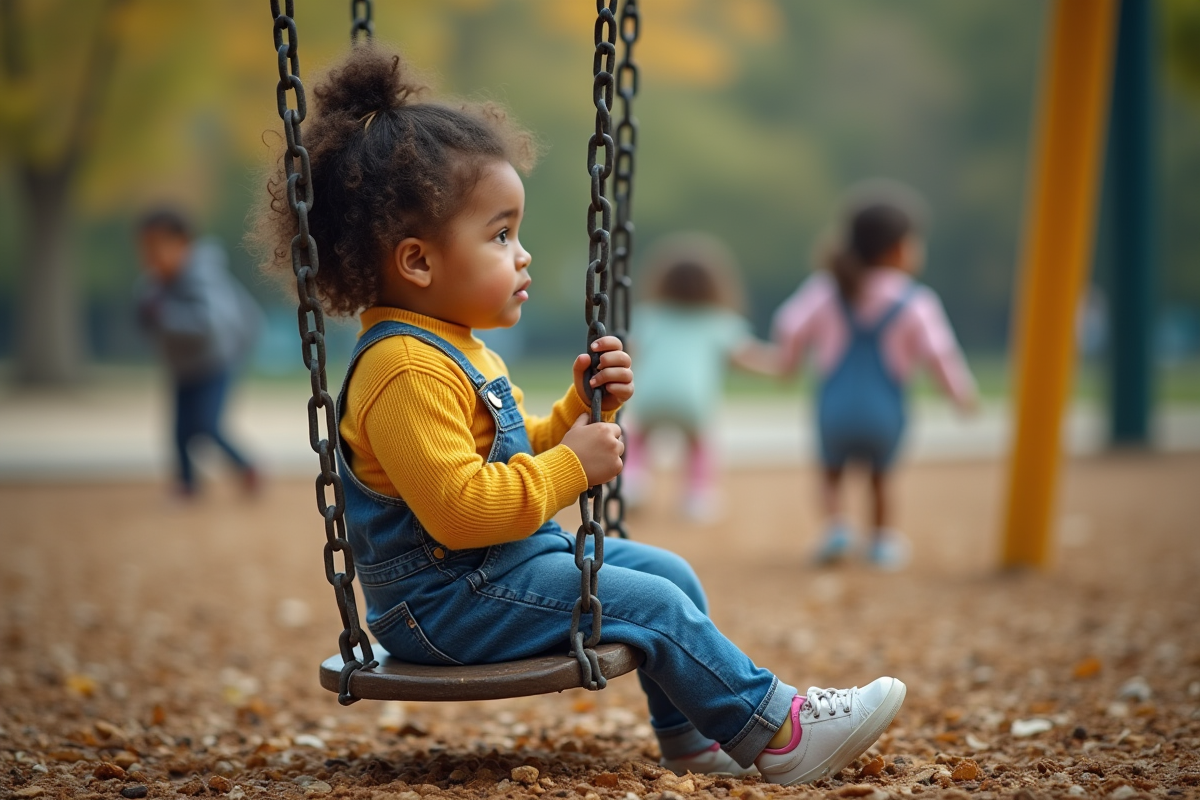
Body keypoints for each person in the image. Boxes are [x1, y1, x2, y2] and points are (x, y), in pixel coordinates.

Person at [250, 46, 905, 785]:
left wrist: (574, 414)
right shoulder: (404, 369)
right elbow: (462, 510)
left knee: (670, 573)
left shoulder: (450, 346)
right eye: (501, 236)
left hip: (497, 569)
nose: (523, 255)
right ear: (419, 263)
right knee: (652, 604)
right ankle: (776, 731)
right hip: (444, 605)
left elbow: (501, 456)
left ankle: (693, 738)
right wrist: (574, 464)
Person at [771, 182, 978, 570]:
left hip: (834, 408)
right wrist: (960, 396)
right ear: (898, 248)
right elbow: (940, 353)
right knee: (880, 477)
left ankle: (835, 529)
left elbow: (789, 325)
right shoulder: (914, 299)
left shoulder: (826, 289)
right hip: (885, 411)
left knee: (831, 474)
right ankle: (881, 542)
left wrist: (788, 364)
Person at [623, 234, 779, 521]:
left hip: (649, 396)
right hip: (693, 401)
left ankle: (633, 483)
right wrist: (780, 367)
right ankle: (697, 496)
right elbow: (748, 357)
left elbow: (627, 350)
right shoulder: (718, 322)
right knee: (700, 444)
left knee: (638, 436)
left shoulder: (650, 316)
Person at [136, 208, 263, 498]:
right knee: (179, 432)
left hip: (216, 363)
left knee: (207, 425)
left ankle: (248, 467)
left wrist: (163, 315)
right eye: (145, 250)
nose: (150, 259)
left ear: (184, 244)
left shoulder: (202, 276)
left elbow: (206, 325)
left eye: (157, 248)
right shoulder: (155, 283)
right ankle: (186, 484)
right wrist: (147, 313)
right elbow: (146, 319)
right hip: (183, 367)